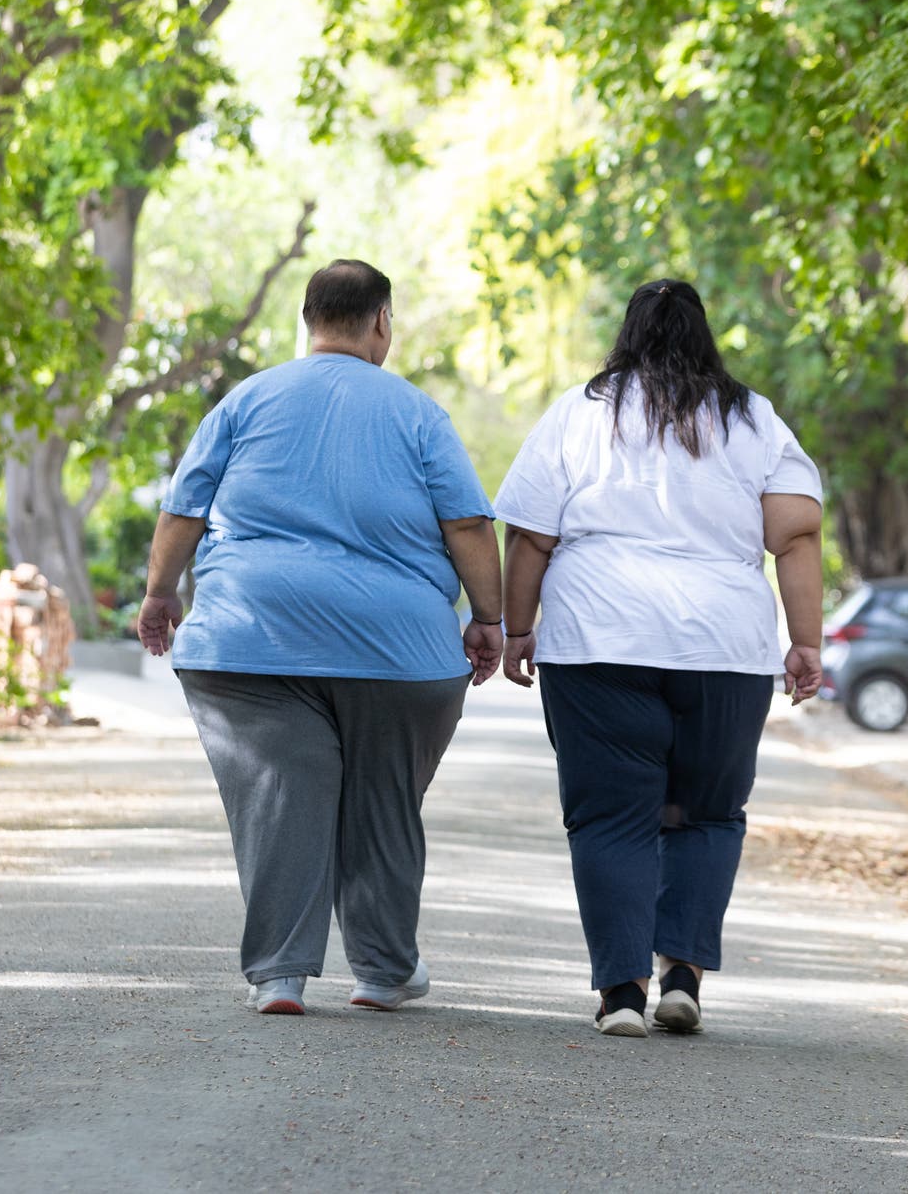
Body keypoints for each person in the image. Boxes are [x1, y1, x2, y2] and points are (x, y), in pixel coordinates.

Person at [137, 258, 503, 1016]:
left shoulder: (246, 401)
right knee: (383, 797)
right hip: (398, 652)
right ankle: (383, 969)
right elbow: (466, 524)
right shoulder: (417, 413)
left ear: (307, 321)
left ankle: (279, 974)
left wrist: (159, 595)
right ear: (381, 324)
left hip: (250, 639)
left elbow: (184, 511)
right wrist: (489, 618)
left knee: (280, 795)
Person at [493, 278, 824, 1038]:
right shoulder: (753, 418)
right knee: (706, 813)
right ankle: (683, 974)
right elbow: (796, 533)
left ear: (628, 334)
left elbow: (531, 535)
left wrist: (517, 627)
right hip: (724, 648)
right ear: (705, 335)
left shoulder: (580, 413)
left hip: (599, 638)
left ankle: (621, 994)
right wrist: (806, 641)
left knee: (610, 816)